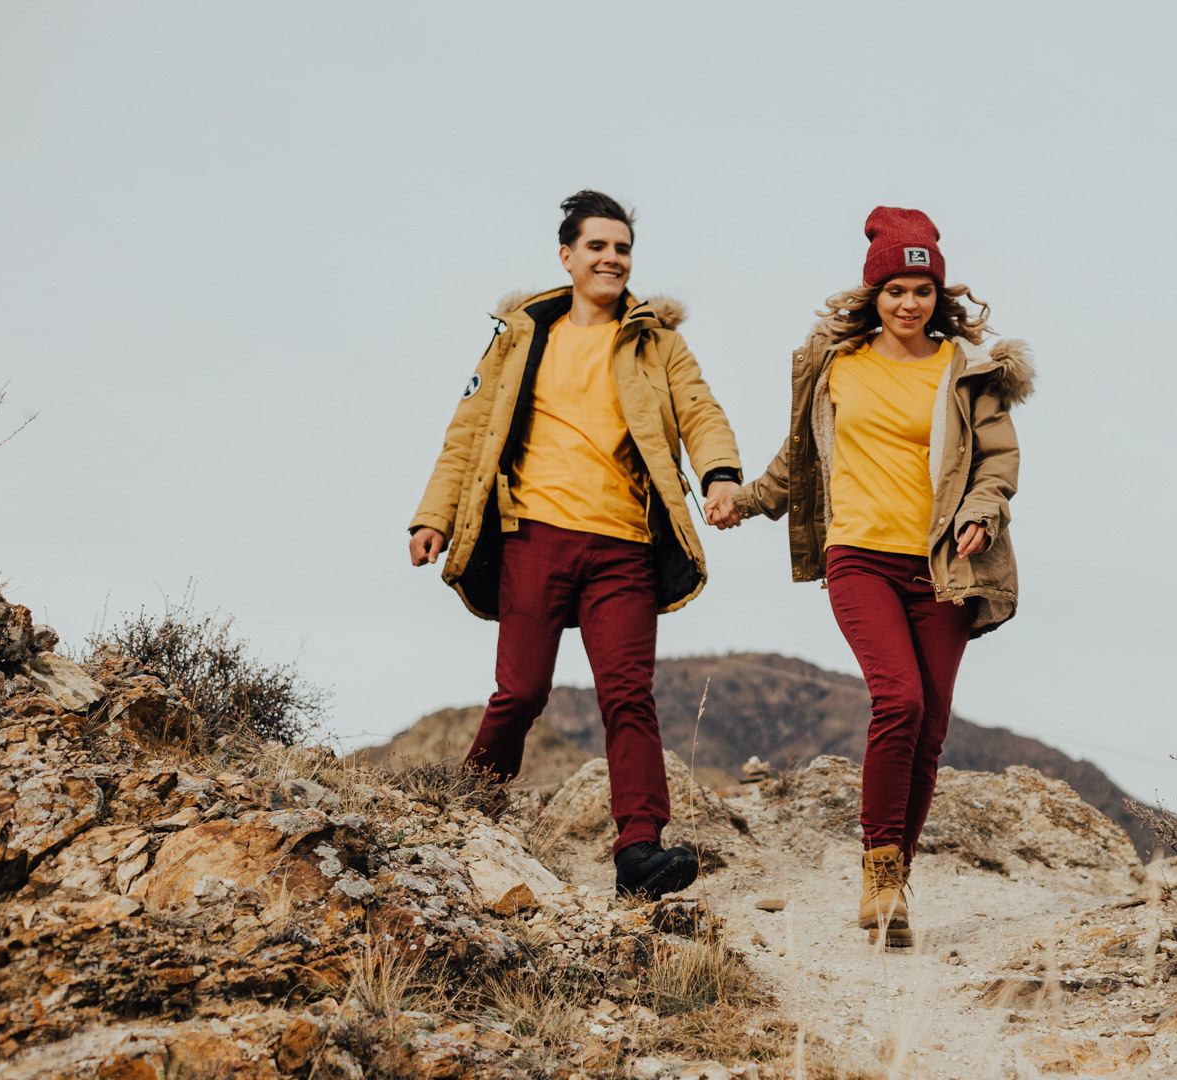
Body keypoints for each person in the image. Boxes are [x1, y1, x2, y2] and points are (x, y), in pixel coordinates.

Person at [707, 207, 1030, 947]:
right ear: (873, 292)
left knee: (932, 727)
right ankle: (880, 865)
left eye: (922, 289)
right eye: (895, 289)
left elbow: (996, 464)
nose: (908, 303)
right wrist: (747, 500)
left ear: (938, 297)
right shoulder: (836, 367)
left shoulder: (967, 372)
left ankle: (896, 885)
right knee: (900, 699)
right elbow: (801, 460)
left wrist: (983, 511)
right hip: (859, 556)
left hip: (944, 565)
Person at [409, 190, 743, 901]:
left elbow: (700, 408)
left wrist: (720, 475)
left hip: (623, 545)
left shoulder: (656, 341)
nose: (612, 259)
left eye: (622, 249)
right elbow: (468, 430)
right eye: (598, 247)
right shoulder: (521, 335)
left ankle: (639, 849)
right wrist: (432, 516)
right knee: (521, 692)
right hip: (533, 534)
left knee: (628, 696)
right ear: (567, 255)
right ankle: (469, 809)